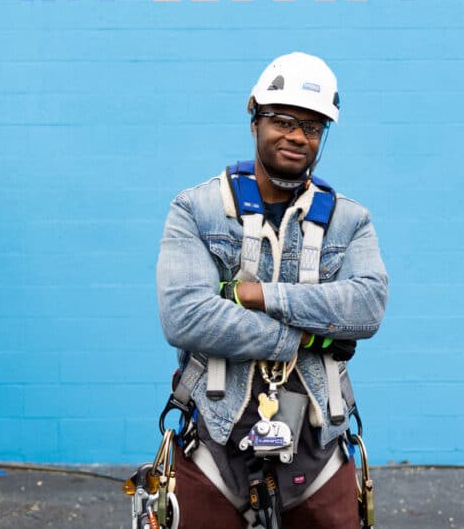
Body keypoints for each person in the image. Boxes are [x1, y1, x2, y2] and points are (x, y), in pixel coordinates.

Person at [155, 52, 389, 528]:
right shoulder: (196, 210)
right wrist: (305, 337)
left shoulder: (350, 220)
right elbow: (185, 316)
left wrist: (259, 295)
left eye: (313, 127)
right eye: (282, 120)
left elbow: (366, 307)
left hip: (319, 442)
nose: (297, 136)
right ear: (254, 116)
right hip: (214, 437)